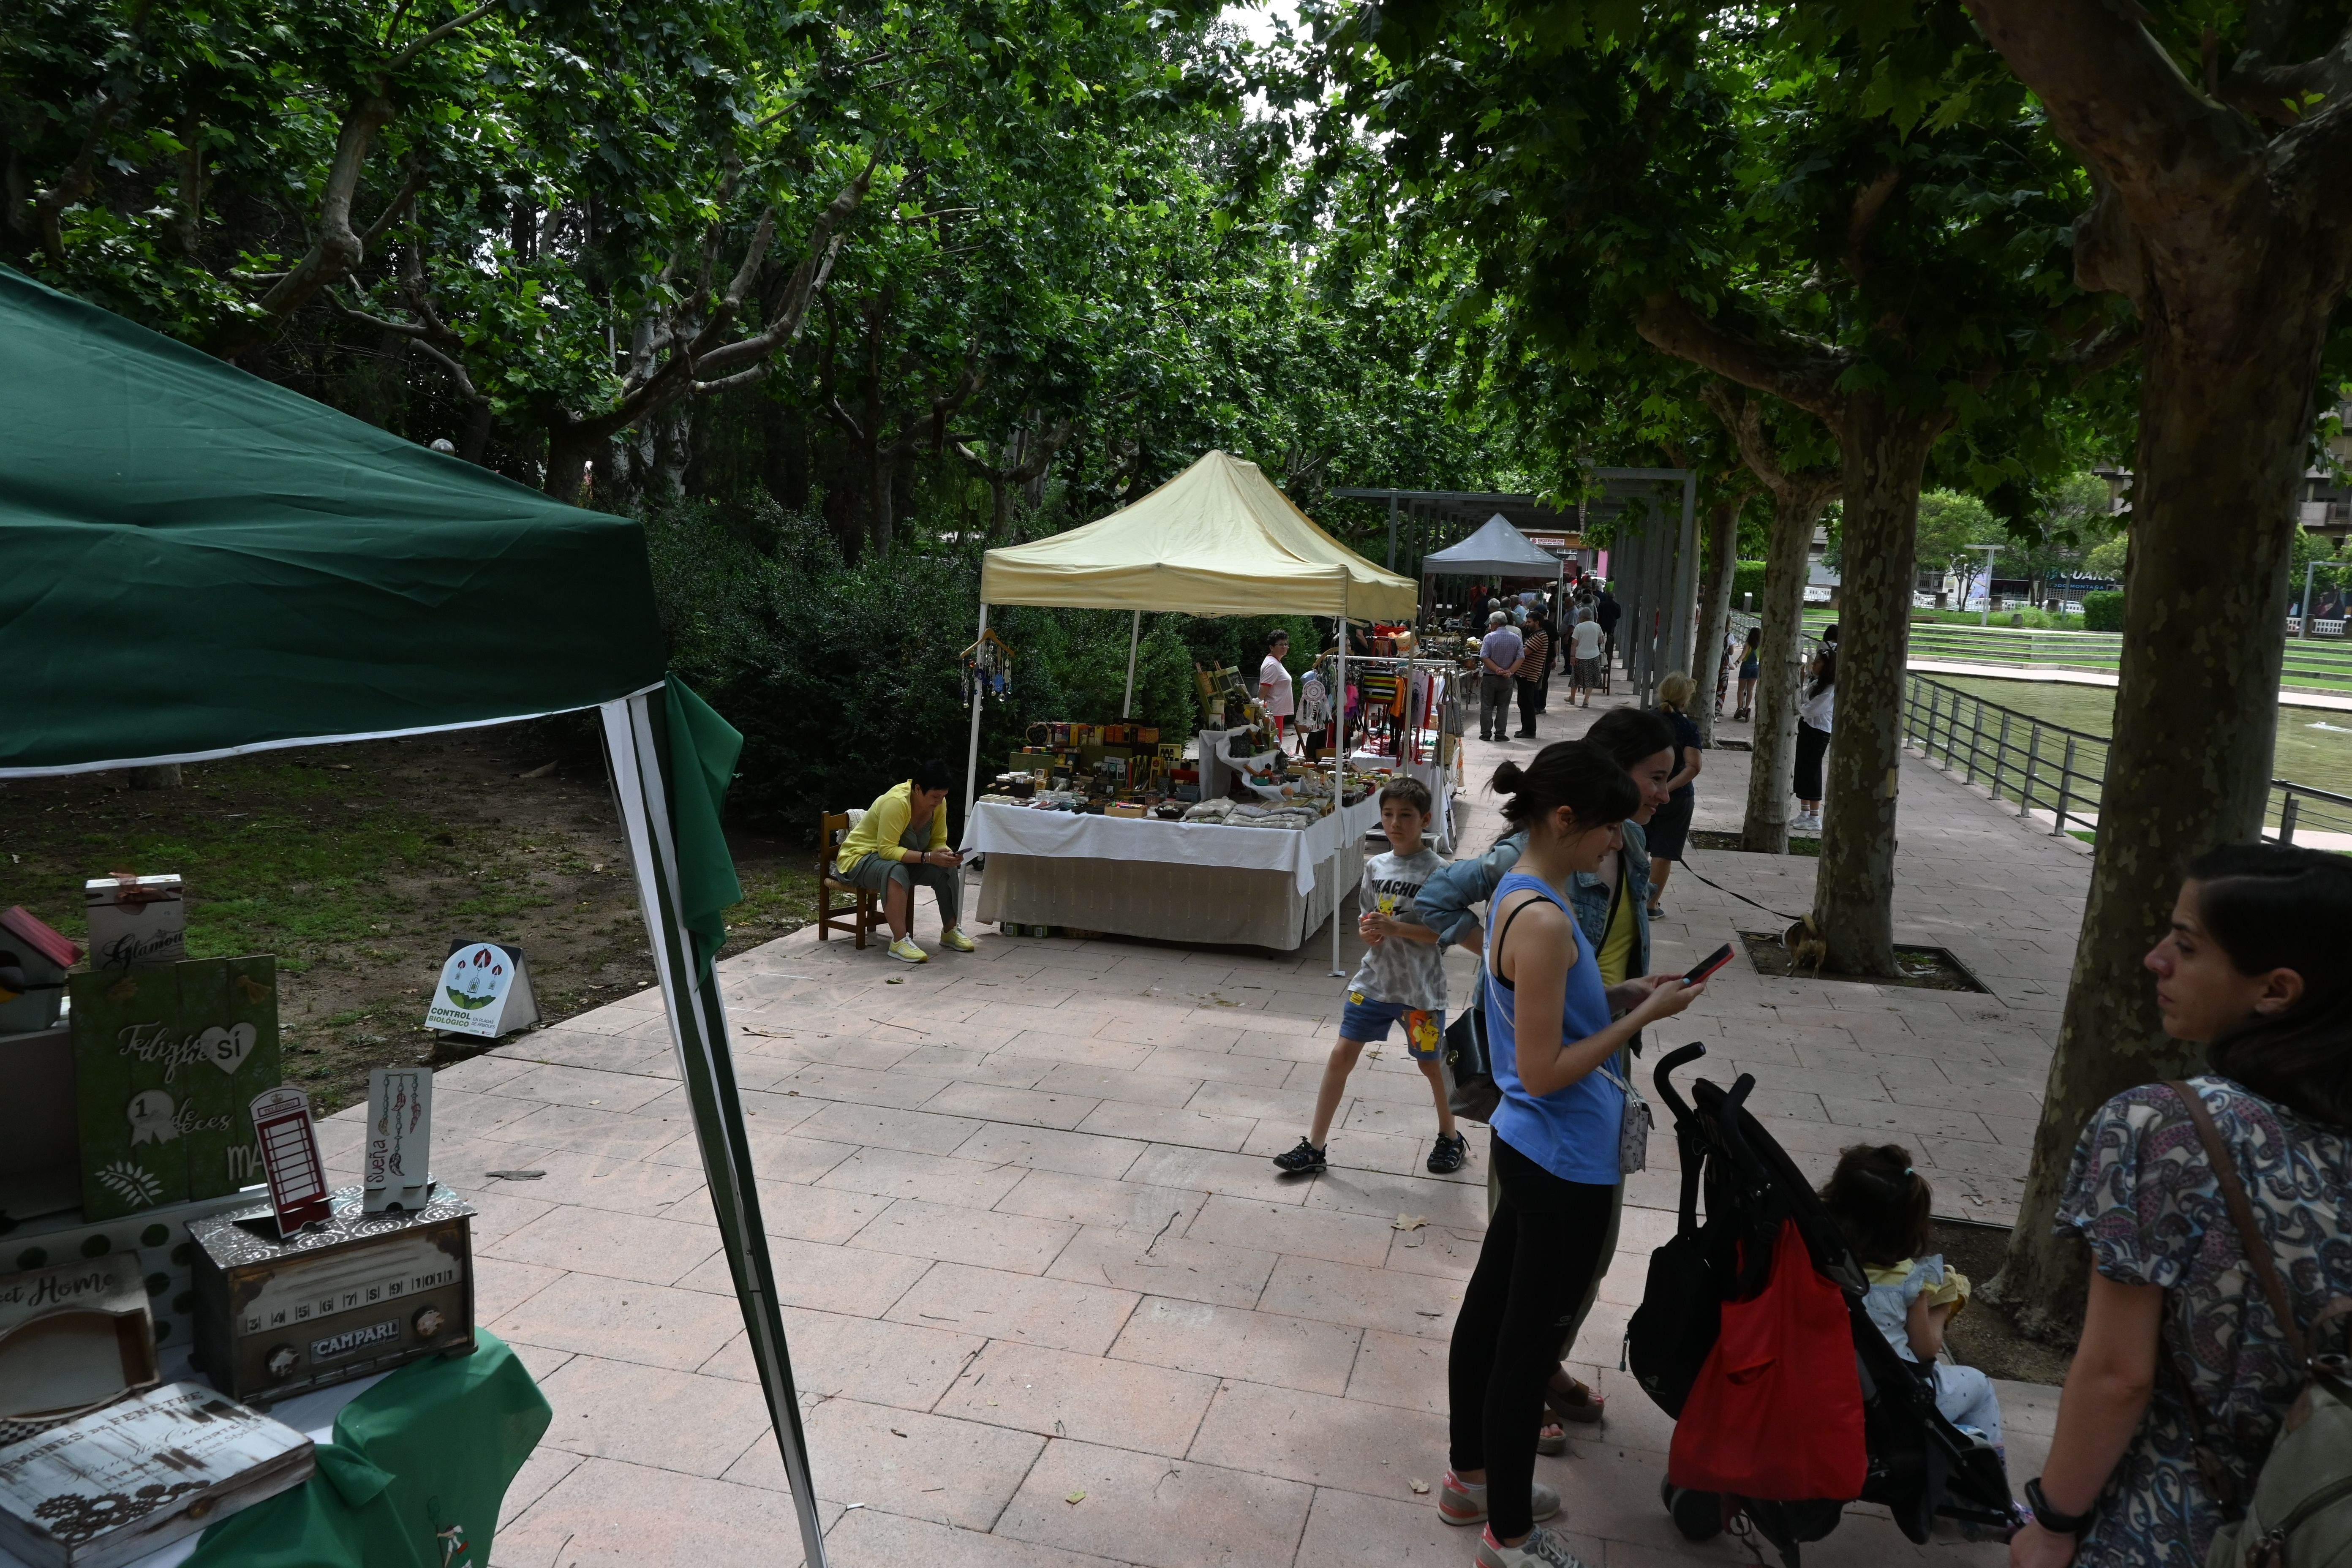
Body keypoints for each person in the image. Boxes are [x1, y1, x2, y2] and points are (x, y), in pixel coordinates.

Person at [2010, 844, 2352, 1568]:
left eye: (2186, 945)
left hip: (2176, 1523)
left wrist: (2052, 1522)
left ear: (2275, 991)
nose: (2154, 960)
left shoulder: (2164, 1129)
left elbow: (2117, 1374)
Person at [1440, 745, 1704, 1568]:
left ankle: (1471, 1478)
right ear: (1564, 819)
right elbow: (1545, 1068)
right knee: (1525, 1348)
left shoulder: (1520, 893)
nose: (1618, 842)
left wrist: (1620, 995)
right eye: (1610, 827)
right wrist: (1640, 1019)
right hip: (1562, 1159)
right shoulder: (1548, 920)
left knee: (1490, 1316)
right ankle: (1511, 1535)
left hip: (1534, 1149)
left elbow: (1546, 1016)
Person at [1272, 779, 1465, 1178]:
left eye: (1406, 816)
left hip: (1420, 992)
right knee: (1341, 1055)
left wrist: (1397, 929)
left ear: (1426, 819)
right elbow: (1367, 917)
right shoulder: (1375, 866)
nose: (1395, 823)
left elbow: (1446, 934)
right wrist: (1370, 932)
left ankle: (1450, 1136)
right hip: (1373, 985)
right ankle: (1315, 1147)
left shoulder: (1440, 872)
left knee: (1432, 1065)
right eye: (1388, 815)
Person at [1819, 1145, 2011, 1458]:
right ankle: (1987, 1480)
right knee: (1979, 1385)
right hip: (1895, 1404)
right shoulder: (1907, 1281)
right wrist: (1945, 1304)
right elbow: (1925, 1349)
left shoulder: (1817, 1265)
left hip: (1827, 1391)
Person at [837, 759, 971, 964]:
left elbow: (937, 841)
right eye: (935, 796)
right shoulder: (897, 802)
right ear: (918, 789)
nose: (939, 801)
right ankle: (899, 941)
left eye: (943, 796)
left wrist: (946, 855)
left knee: (946, 869)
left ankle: (950, 931)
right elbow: (887, 850)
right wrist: (927, 857)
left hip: (900, 860)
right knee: (895, 871)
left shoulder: (939, 804)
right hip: (860, 858)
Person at [1644, 672, 1703, 919]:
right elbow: (1694, 766)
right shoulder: (1688, 727)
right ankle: (1650, 905)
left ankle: (1628, 897)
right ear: (1685, 699)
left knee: (1635, 843)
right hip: (1677, 798)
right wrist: (1667, 788)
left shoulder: (1644, 721)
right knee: (1663, 852)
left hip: (1643, 792)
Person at [1794, 641, 1835, 830]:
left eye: (1818, 663)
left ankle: (1815, 817)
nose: (1814, 665)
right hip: (1806, 728)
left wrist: (1801, 709)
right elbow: (1803, 701)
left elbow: (1811, 710)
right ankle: (1804, 813)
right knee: (1802, 769)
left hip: (1819, 732)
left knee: (1813, 771)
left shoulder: (1831, 690)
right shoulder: (1816, 684)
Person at [1479, 611, 1524, 743]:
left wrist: (1496, 669)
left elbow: (1484, 657)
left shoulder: (1489, 637)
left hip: (1490, 677)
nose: (1490, 626)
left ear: (1496, 624)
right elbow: (1521, 658)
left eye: (1491, 624)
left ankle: (1486, 733)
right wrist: (1509, 671)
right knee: (1503, 707)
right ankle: (1500, 734)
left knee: (1487, 706)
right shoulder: (1516, 638)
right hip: (1507, 679)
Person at [1513, 617, 1552, 739]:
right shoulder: (1535, 635)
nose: (1527, 624)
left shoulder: (1540, 636)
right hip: (1524, 674)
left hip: (1529, 674)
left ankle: (1530, 731)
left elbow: (1525, 651)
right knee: (1522, 702)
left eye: (1530, 622)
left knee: (1527, 703)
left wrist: (1516, 649)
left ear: (1537, 622)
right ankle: (1525, 728)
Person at [1259, 630, 1296, 751]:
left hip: (1278, 712)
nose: (1284, 647)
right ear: (1272, 647)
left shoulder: (1276, 663)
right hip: (1274, 713)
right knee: (1275, 746)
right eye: (1280, 644)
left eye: (1286, 644)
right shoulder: (1272, 665)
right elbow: (1262, 691)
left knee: (1277, 744)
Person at [1567, 613, 1605, 708]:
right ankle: (1586, 700)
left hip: (1580, 656)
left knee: (1575, 677)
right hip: (1594, 656)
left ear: (1582, 617)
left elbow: (1574, 644)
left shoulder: (1579, 627)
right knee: (1591, 678)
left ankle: (1572, 698)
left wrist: (1572, 656)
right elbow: (1602, 641)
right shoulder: (1597, 626)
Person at [1594, 586, 1621, 689]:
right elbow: (1619, 616)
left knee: (1600, 638)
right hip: (1612, 624)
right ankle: (1608, 652)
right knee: (1610, 638)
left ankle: (1598, 650)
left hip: (1603, 623)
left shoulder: (1603, 604)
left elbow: (1599, 613)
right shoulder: (1617, 606)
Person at [1734, 627, 1761, 721]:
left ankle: (1740, 707)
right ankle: (1746, 708)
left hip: (1746, 668)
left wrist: (1737, 662)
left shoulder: (1748, 644)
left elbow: (1743, 655)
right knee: (1750, 689)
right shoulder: (1760, 646)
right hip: (1756, 669)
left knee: (1741, 689)